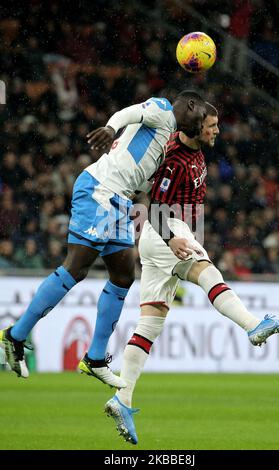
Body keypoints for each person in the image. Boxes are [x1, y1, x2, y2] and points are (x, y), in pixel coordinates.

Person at [104, 103, 279, 444]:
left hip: (166, 233)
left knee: (150, 323)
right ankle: (253, 326)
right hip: (168, 230)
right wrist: (173, 238)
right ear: (194, 128)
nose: (216, 131)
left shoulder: (192, 149)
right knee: (206, 272)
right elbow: (155, 204)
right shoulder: (175, 159)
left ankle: (123, 398)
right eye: (211, 125)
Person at [0, 91, 207, 387]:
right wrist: (111, 127)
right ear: (190, 106)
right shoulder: (163, 110)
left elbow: (146, 185)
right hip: (100, 190)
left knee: (123, 276)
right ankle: (15, 336)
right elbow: (130, 112)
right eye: (200, 117)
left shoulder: (166, 142)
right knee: (76, 269)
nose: (200, 125)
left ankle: (95, 358)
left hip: (121, 201)